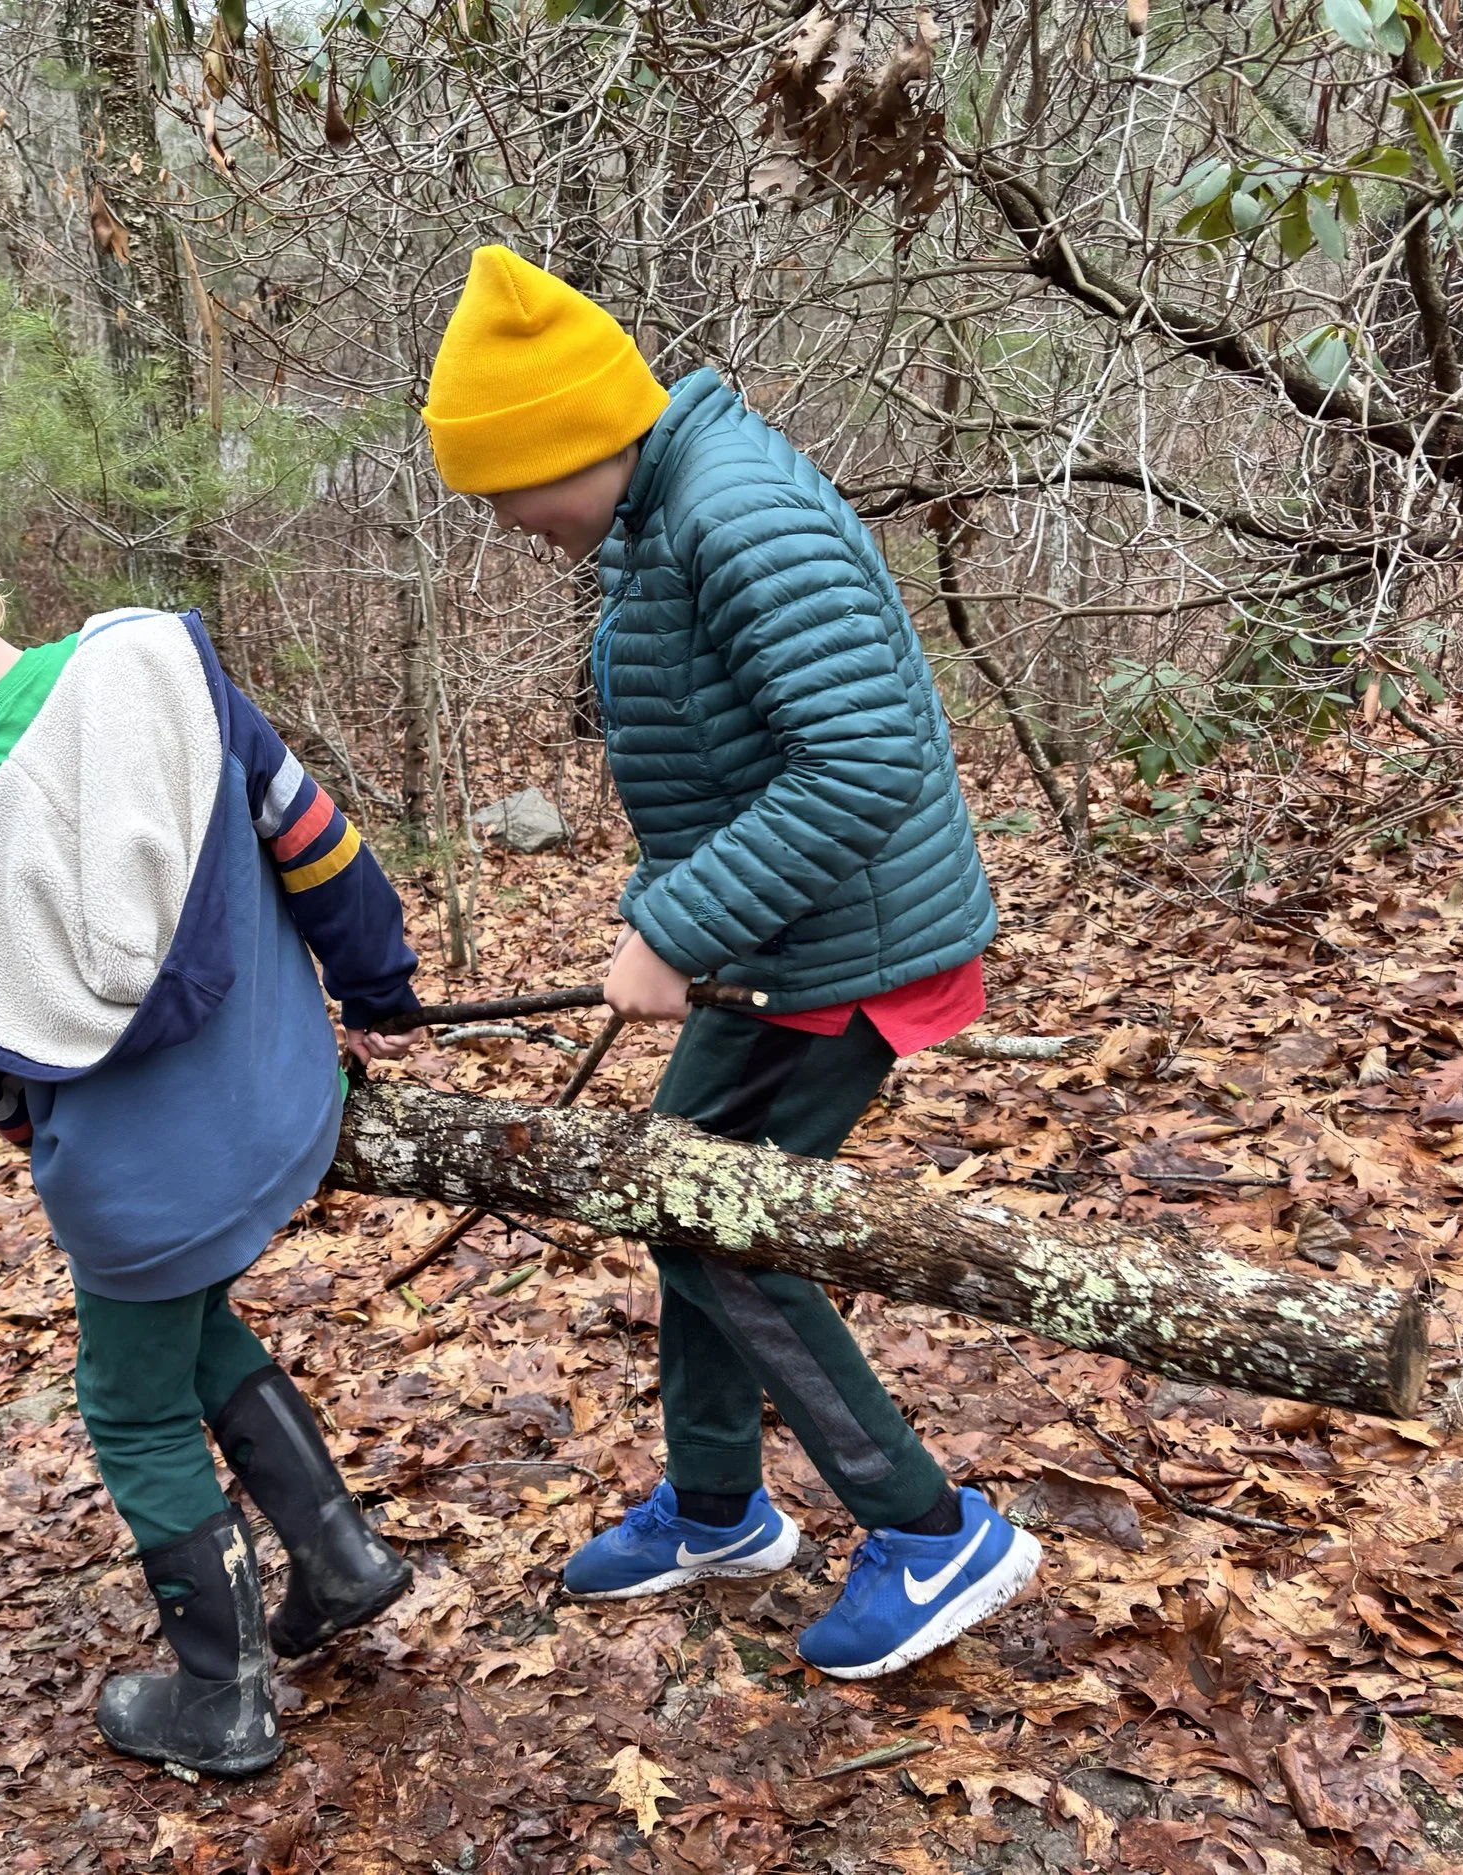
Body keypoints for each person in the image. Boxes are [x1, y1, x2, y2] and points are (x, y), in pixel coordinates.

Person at [420, 247, 1040, 1680]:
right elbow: (721, 756)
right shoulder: (662, 512)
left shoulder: (738, 513)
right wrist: (669, 907)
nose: (510, 522)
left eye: (507, 488)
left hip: (840, 949)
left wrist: (680, 927)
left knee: (720, 1224)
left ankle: (933, 1527)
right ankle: (716, 1507)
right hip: (779, 946)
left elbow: (862, 758)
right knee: (677, 1189)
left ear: (570, 441)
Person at [0, 476, 425, 1774]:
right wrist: (381, 989)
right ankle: (339, 1559)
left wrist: (57, 1154)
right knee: (193, 1325)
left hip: (141, 1178)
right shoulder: (150, 660)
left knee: (129, 1403)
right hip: (290, 1095)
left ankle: (222, 1698)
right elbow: (311, 834)